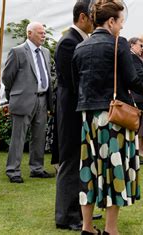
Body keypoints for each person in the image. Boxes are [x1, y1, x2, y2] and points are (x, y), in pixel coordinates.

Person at [72, 0, 143, 233]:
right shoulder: (118, 44)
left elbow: (74, 82)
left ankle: (87, 227)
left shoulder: (81, 46)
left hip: (88, 117)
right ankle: (111, 229)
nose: (121, 27)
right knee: (113, 170)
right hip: (113, 116)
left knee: (88, 169)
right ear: (111, 21)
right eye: (121, 22)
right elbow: (132, 81)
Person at [54, 1, 94, 231]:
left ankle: (79, 210)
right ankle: (66, 216)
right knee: (69, 162)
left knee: (80, 162)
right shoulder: (69, 42)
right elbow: (72, 81)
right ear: (82, 17)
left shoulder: (80, 40)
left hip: (78, 110)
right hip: (71, 111)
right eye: (92, 16)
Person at [2, 22, 54, 183]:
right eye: (40, 33)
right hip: (23, 100)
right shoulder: (17, 52)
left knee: (39, 136)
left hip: (42, 99)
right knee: (18, 137)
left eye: (44, 33)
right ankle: (13, 171)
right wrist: (15, 95)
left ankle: (36, 168)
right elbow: (7, 77)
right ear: (29, 33)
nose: (43, 36)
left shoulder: (45, 52)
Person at [129, 37, 143, 161]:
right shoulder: (132, 57)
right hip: (137, 96)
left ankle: (136, 154)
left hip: (140, 96)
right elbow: (141, 75)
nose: (142, 48)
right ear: (132, 45)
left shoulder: (135, 57)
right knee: (135, 127)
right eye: (140, 45)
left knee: (137, 127)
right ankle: (135, 155)